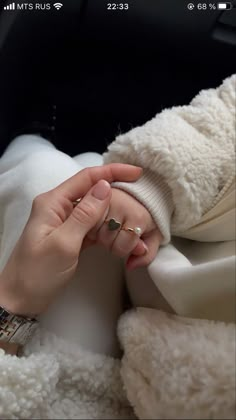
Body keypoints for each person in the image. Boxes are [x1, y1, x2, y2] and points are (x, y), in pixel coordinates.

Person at [0, 74, 235, 419]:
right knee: (86, 175)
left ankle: (34, 138)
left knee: (43, 175)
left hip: (129, 383)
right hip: (165, 303)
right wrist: (156, 186)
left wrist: (12, 304)